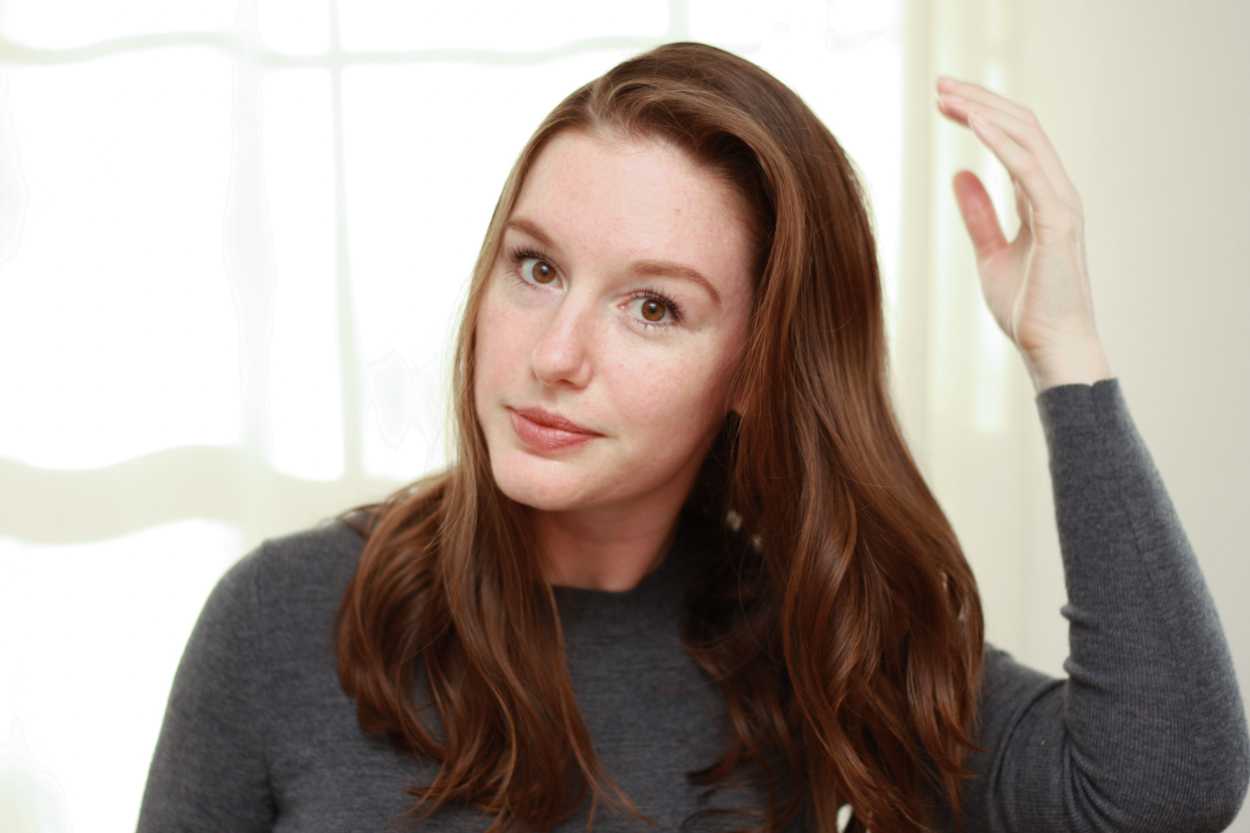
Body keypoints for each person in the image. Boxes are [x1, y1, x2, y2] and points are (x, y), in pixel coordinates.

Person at [135, 41, 1249, 833]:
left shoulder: (823, 648)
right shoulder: (283, 620)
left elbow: (1162, 786)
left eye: (653, 306)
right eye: (536, 266)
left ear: (754, 369)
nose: (554, 352)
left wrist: (1065, 352)